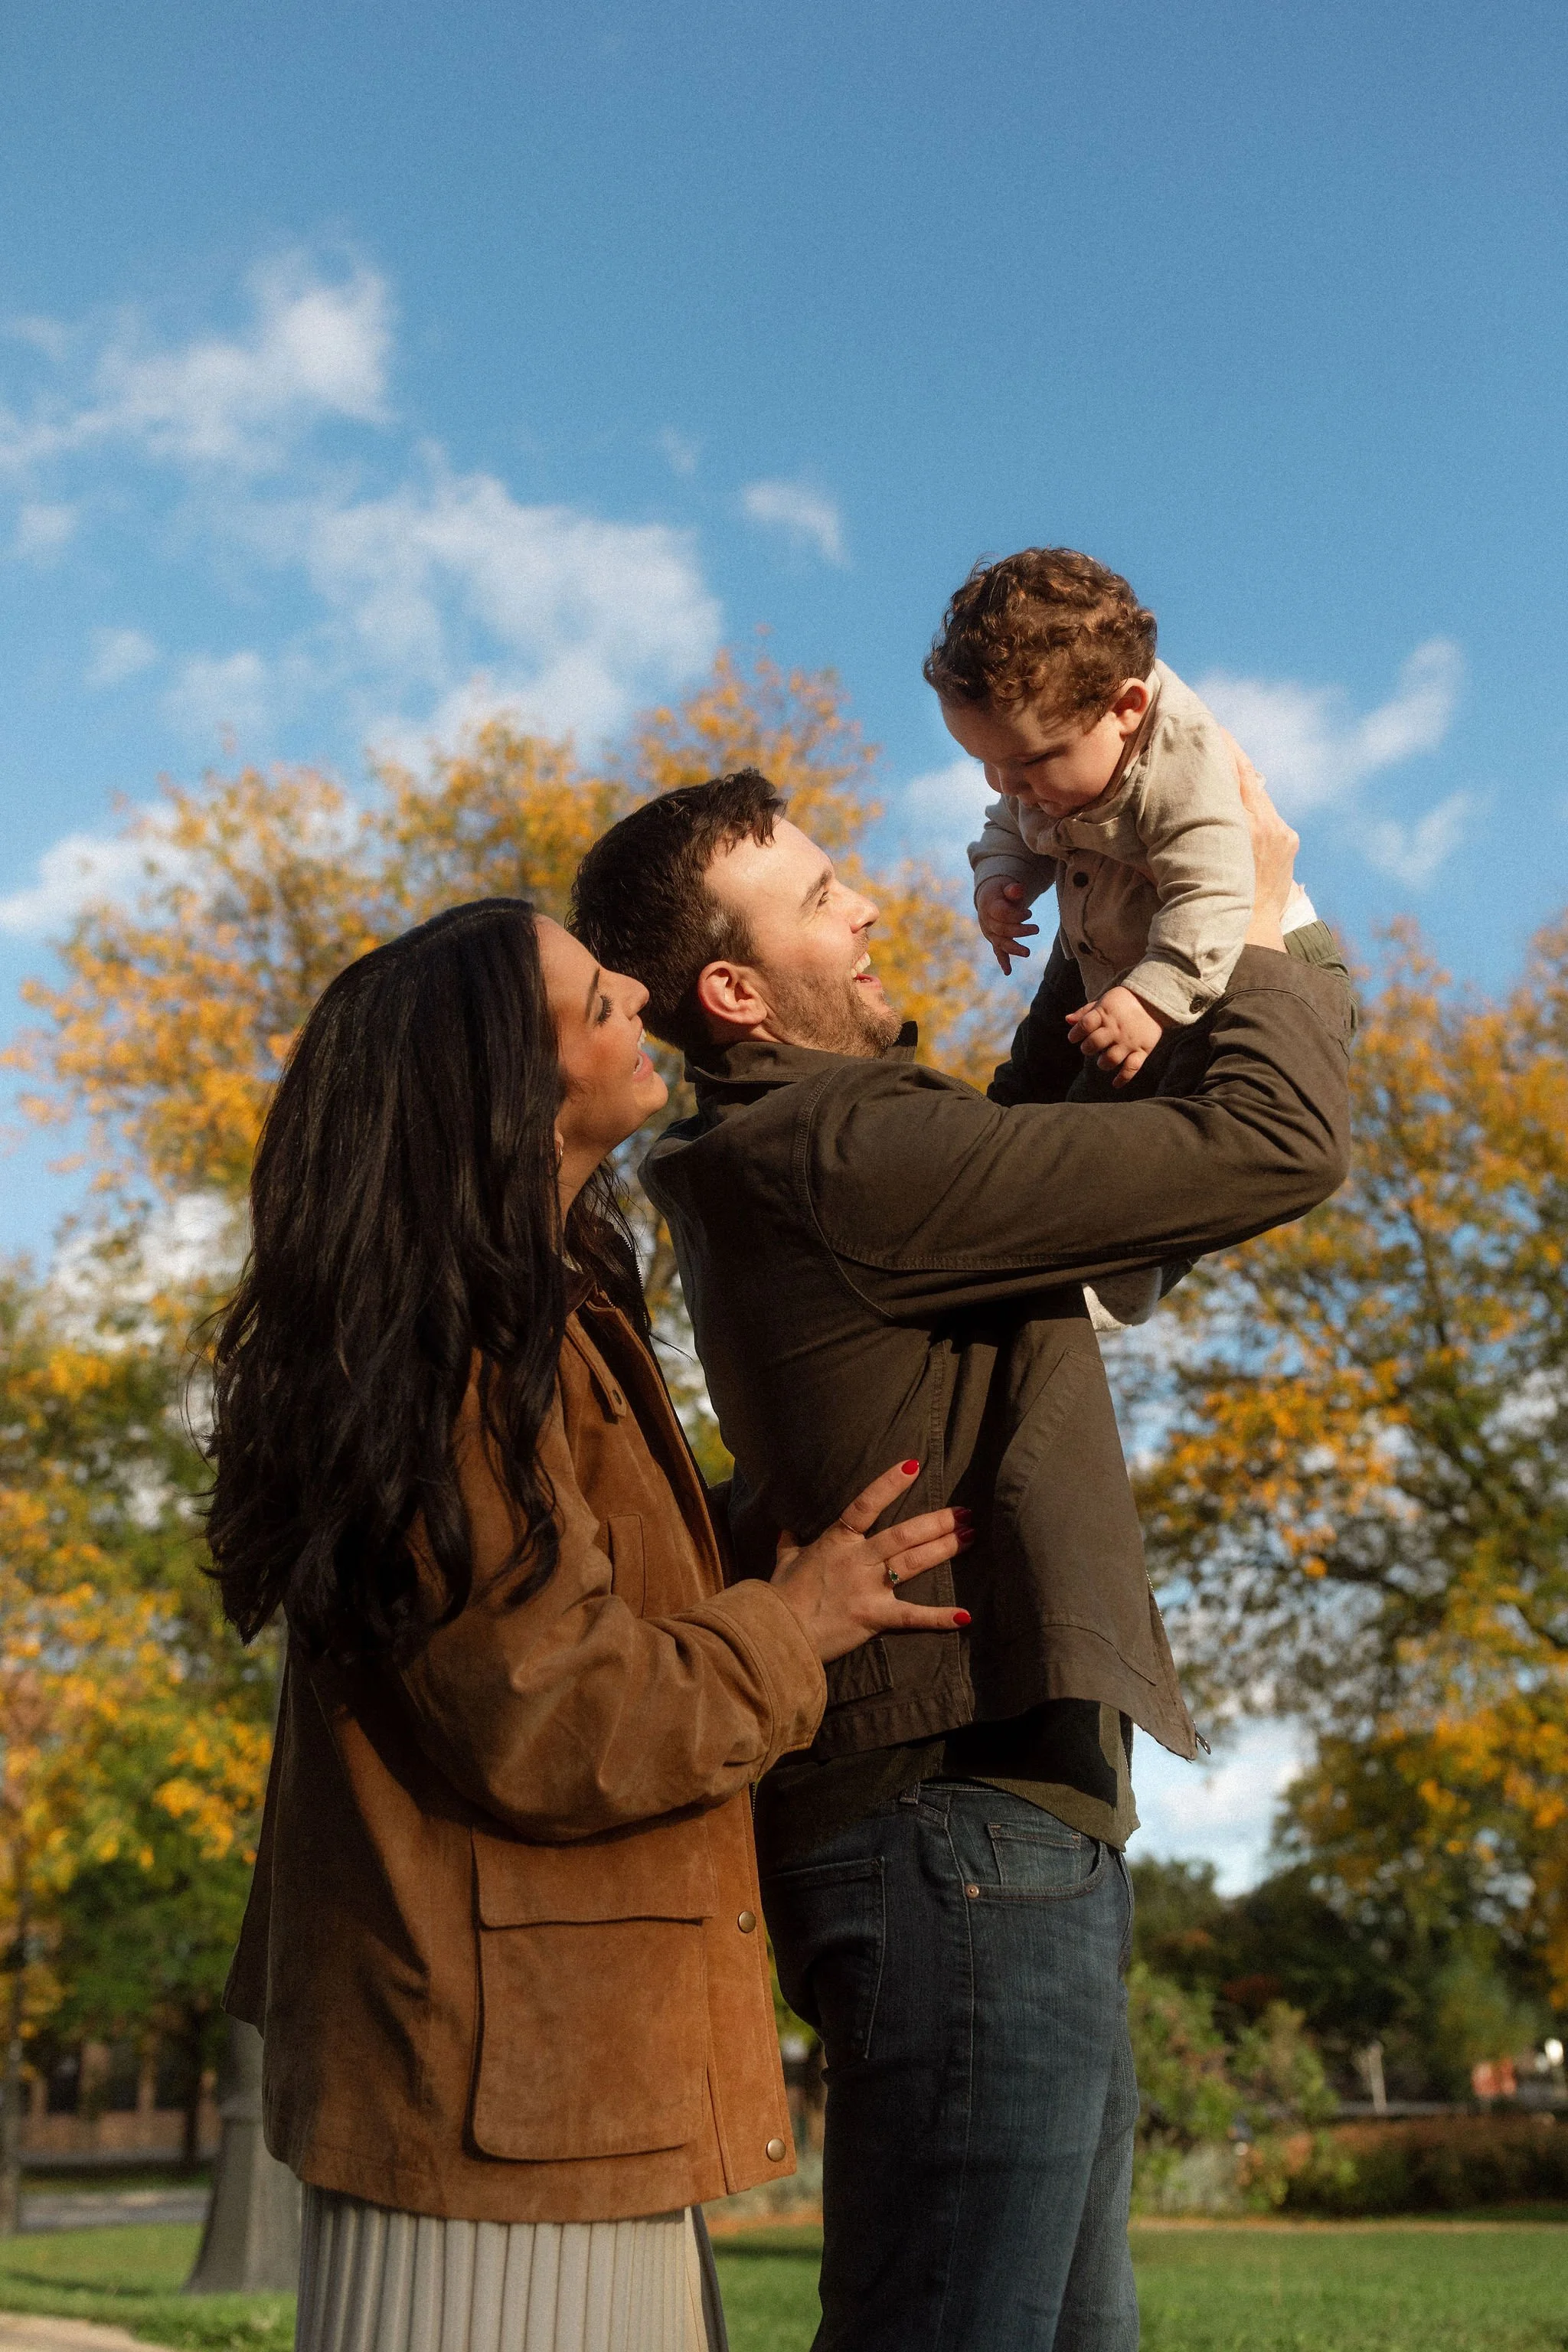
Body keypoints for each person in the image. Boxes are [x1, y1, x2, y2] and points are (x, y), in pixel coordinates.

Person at [569, 768, 1353, 2352]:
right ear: (734, 992)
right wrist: (1258, 914)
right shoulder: (839, 1151)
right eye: (815, 898)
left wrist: (1107, 934)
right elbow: (1272, 1145)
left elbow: (1039, 1150)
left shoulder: (832, 1150)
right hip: (956, 1830)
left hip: (988, 1826)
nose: (863, 906)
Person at [207, 899, 970, 2352]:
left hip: (552, 2085)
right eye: (590, 992)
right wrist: (791, 1627)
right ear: (502, 1083)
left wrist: (744, 1551)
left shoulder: (534, 1319)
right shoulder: (447, 1356)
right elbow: (555, 1713)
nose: (633, 988)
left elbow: (571, 1612)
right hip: (502, 2109)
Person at [927, 544, 1338, 1329]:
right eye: (985, 764)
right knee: (1041, 1097)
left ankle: (1130, 1263)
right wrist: (998, 880)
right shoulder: (1049, 753)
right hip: (1114, 945)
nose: (1005, 786)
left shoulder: (1183, 770)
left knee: (1150, 1114)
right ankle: (984, 1197)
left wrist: (1150, 1000)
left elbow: (1218, 889)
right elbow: (1009, 821)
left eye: (1026, 764)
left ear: (1124, 709)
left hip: (1233, 964)